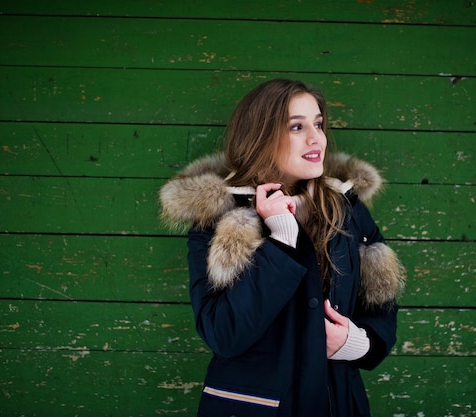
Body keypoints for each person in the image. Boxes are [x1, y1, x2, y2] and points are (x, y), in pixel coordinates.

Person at [159, 79, 406, 417]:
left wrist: (355, 343)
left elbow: (381, 303)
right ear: (260, 135)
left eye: (318, 123)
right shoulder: (216, 217)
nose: (315, 137)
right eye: (296, 126)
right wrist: (281, 239)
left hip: (338, 403)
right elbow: (223, 333)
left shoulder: (346, 208)